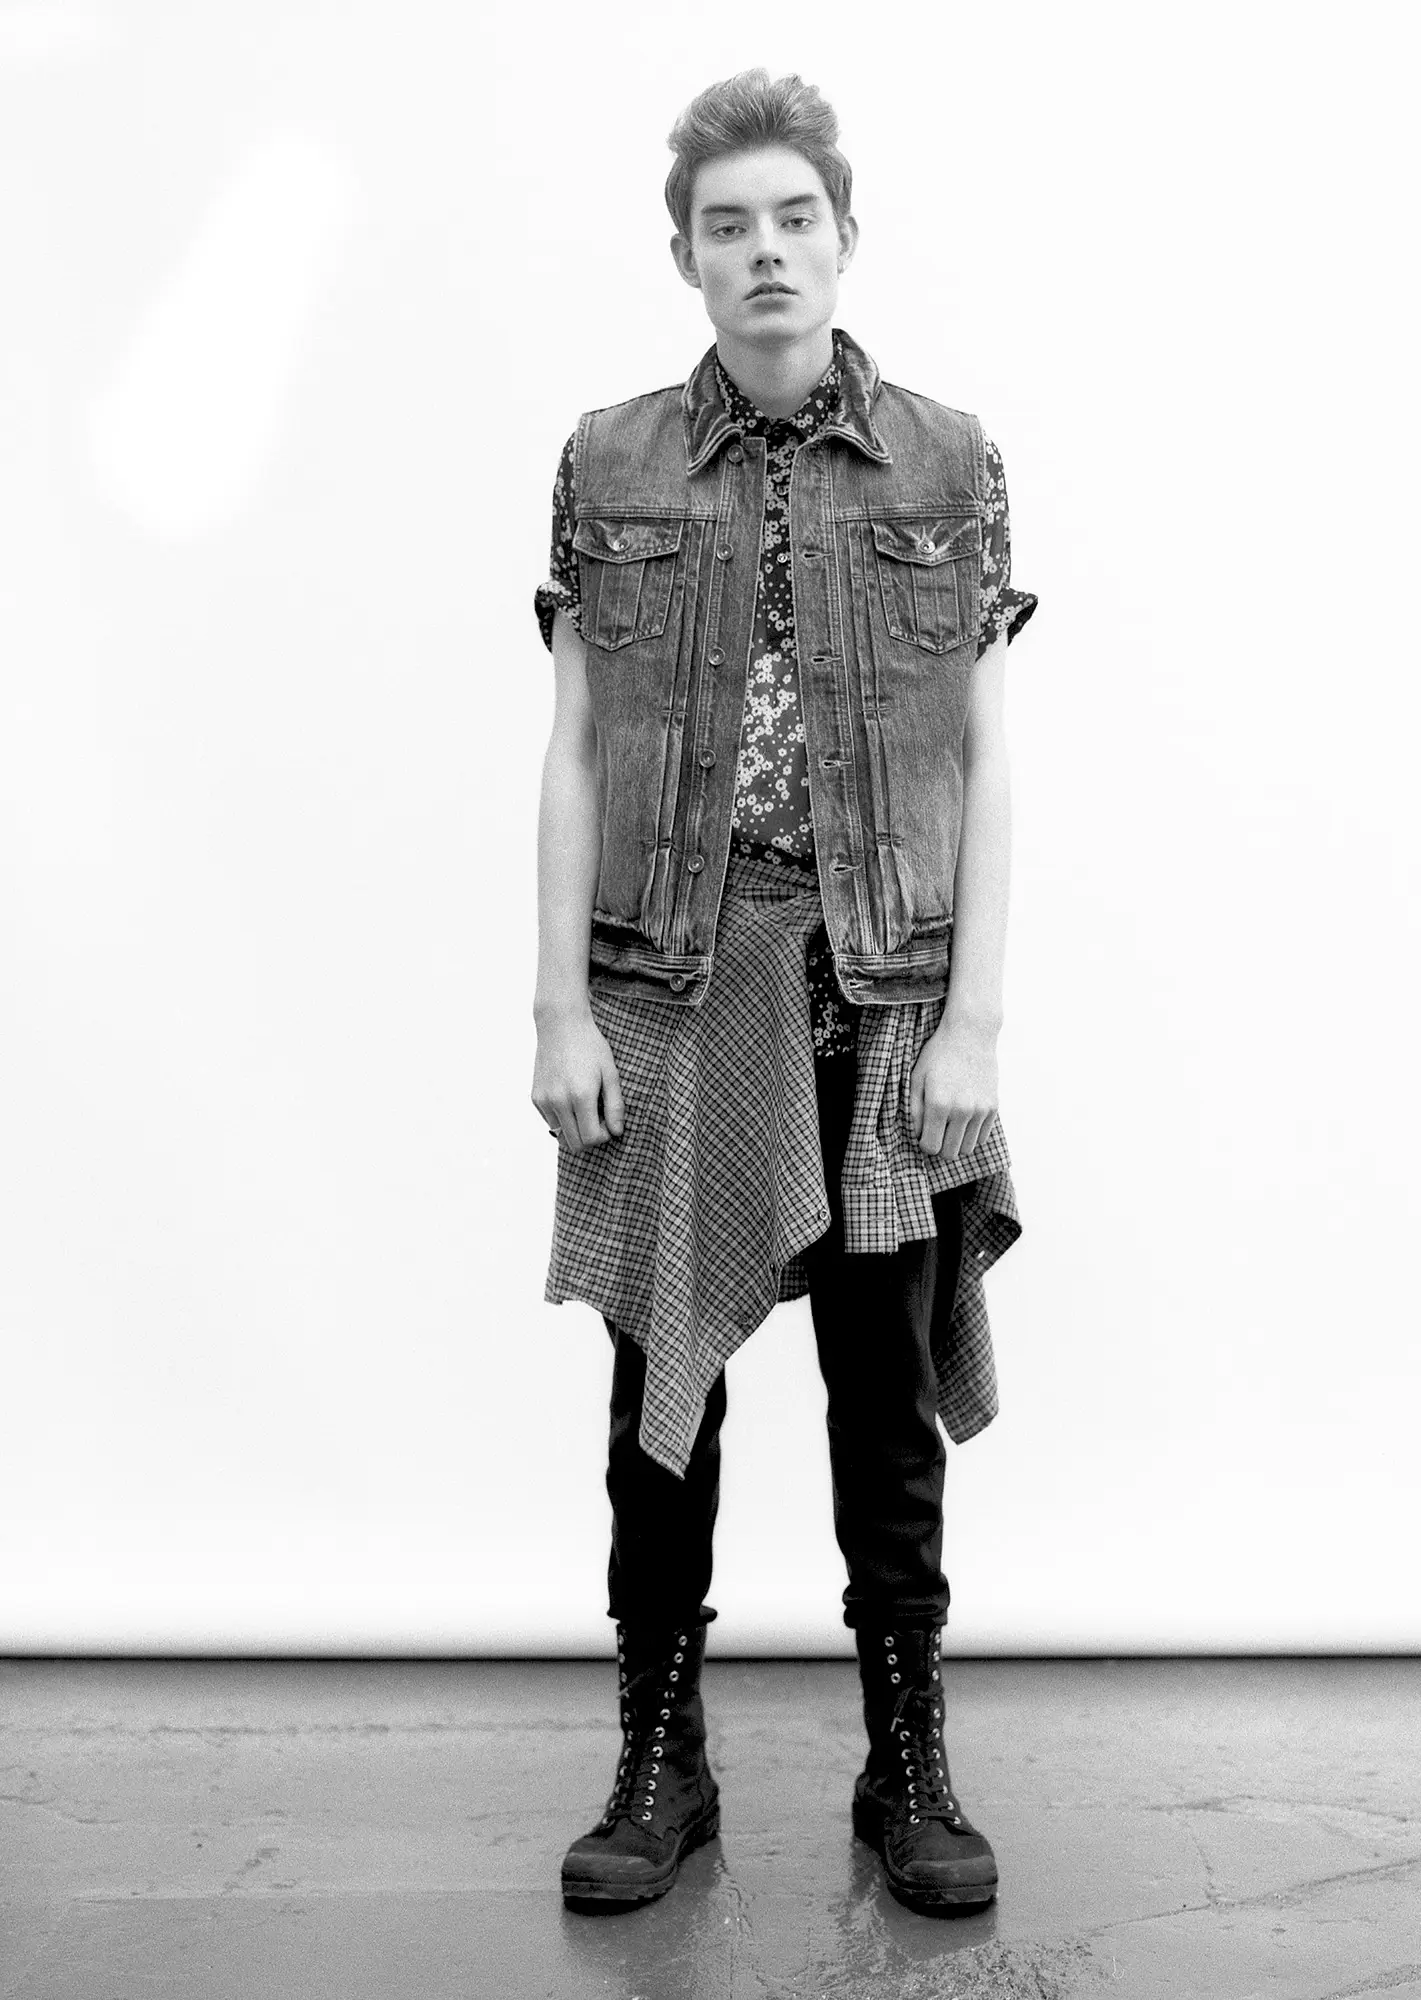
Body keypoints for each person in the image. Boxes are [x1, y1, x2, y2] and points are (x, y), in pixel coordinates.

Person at [531, 67, 1036, 1917]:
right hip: (667, 979)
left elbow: (988, 752)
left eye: (792, 219)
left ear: (844, 236)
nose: (763, 252)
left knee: (879, 1396)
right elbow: (573, 746)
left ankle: (906, 1757)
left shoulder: (948, 461)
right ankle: (660, 1754)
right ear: (684, 255)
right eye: (725, 225)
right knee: (658, 1394)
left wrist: (974, 1022)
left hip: (883, 985)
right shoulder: (605, 461)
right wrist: (554, 1009)